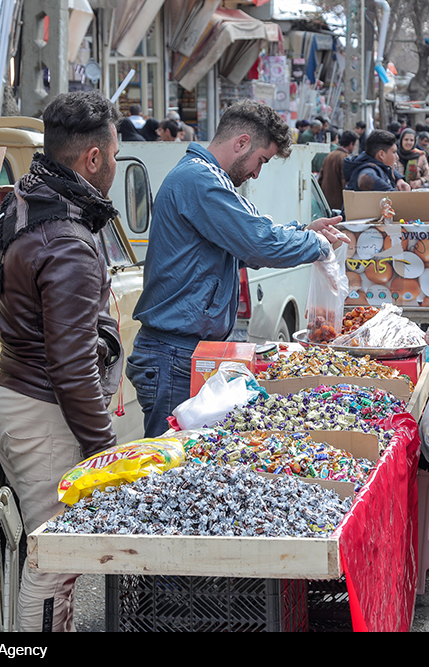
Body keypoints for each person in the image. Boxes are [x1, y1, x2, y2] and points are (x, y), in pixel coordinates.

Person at [0, 90, 123, 631]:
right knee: (56, 559)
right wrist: (101, 451)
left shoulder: (22, 202)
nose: (114, 163)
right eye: (113, 153)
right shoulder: (65, 239)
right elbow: (70, 368)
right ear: (92, 158)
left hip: (20, 395)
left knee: (51, 552)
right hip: (43, 409)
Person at [127, 100, 343, 437]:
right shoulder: (200, 180)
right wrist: (318, 245)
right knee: (168, 465)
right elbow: (257, 242)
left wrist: (305, 232)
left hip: (184, 351)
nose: (257, 173)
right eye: (261, 161)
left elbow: (251, 238)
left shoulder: (205, 179)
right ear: (241, 143)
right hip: (173, 354)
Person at [343, 129, 411, 192]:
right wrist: (394, 194)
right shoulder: (367, 171)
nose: (397, 157)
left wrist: (399, 179)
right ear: (381, 155)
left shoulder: (370, 162)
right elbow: (366, 178)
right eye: (394, 152)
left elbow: (386, 168)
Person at [318, 130, 357, 210]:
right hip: (338, 203)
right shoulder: (346, 158)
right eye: (355, 145)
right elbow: (345, 182)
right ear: (351, 144)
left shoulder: (329, 155)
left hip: (326, 201)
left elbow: (320, 178)